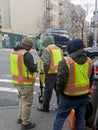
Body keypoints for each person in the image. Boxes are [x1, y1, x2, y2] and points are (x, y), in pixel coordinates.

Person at [53, 38, 94, 130]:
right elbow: (91, 80)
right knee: (80, 117)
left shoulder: (66, 62)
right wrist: (87, 91)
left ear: (70, 48)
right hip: (83, 96)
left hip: (69, 97)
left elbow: (61, 81)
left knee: (60, 117)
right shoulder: (90, 61)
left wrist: (59, 92)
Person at [10, 37, 38, 130]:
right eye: (30, 47)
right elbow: (32, 68)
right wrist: (36, 65)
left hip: (17, 82)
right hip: (25, 82)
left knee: (22, 100)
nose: (30, 49)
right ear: (26, 46)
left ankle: (20, 118)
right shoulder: (26, 55)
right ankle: (25, 123)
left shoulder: (14, 53)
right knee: (27, 103)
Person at [37, 36, 63, 112]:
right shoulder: (59, 49)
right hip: (59, 72)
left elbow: (46, 63)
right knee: (58, 91)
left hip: (51, 73)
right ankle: (59, 107)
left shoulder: (47, 49)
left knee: (48, 91)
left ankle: (45, 107)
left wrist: (46, 72)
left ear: (46, 42)